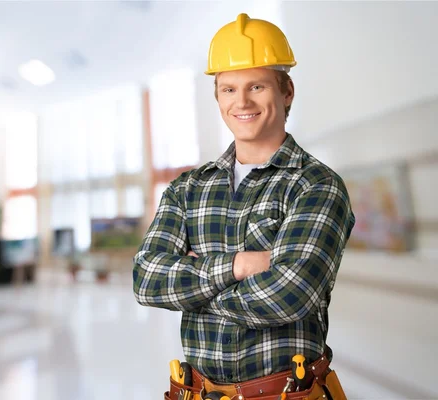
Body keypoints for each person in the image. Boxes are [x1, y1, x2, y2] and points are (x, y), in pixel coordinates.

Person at [133, 13, 355, 400]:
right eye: (228, 89)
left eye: (256, 86)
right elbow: (147, 279)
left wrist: (192, 286)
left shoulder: (316, 185)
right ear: (217, 96)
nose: (243, 102)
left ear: (286, 91)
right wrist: (239, 265)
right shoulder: (188, 188)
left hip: (288, 394)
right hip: (197, 393)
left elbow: (290, 295)